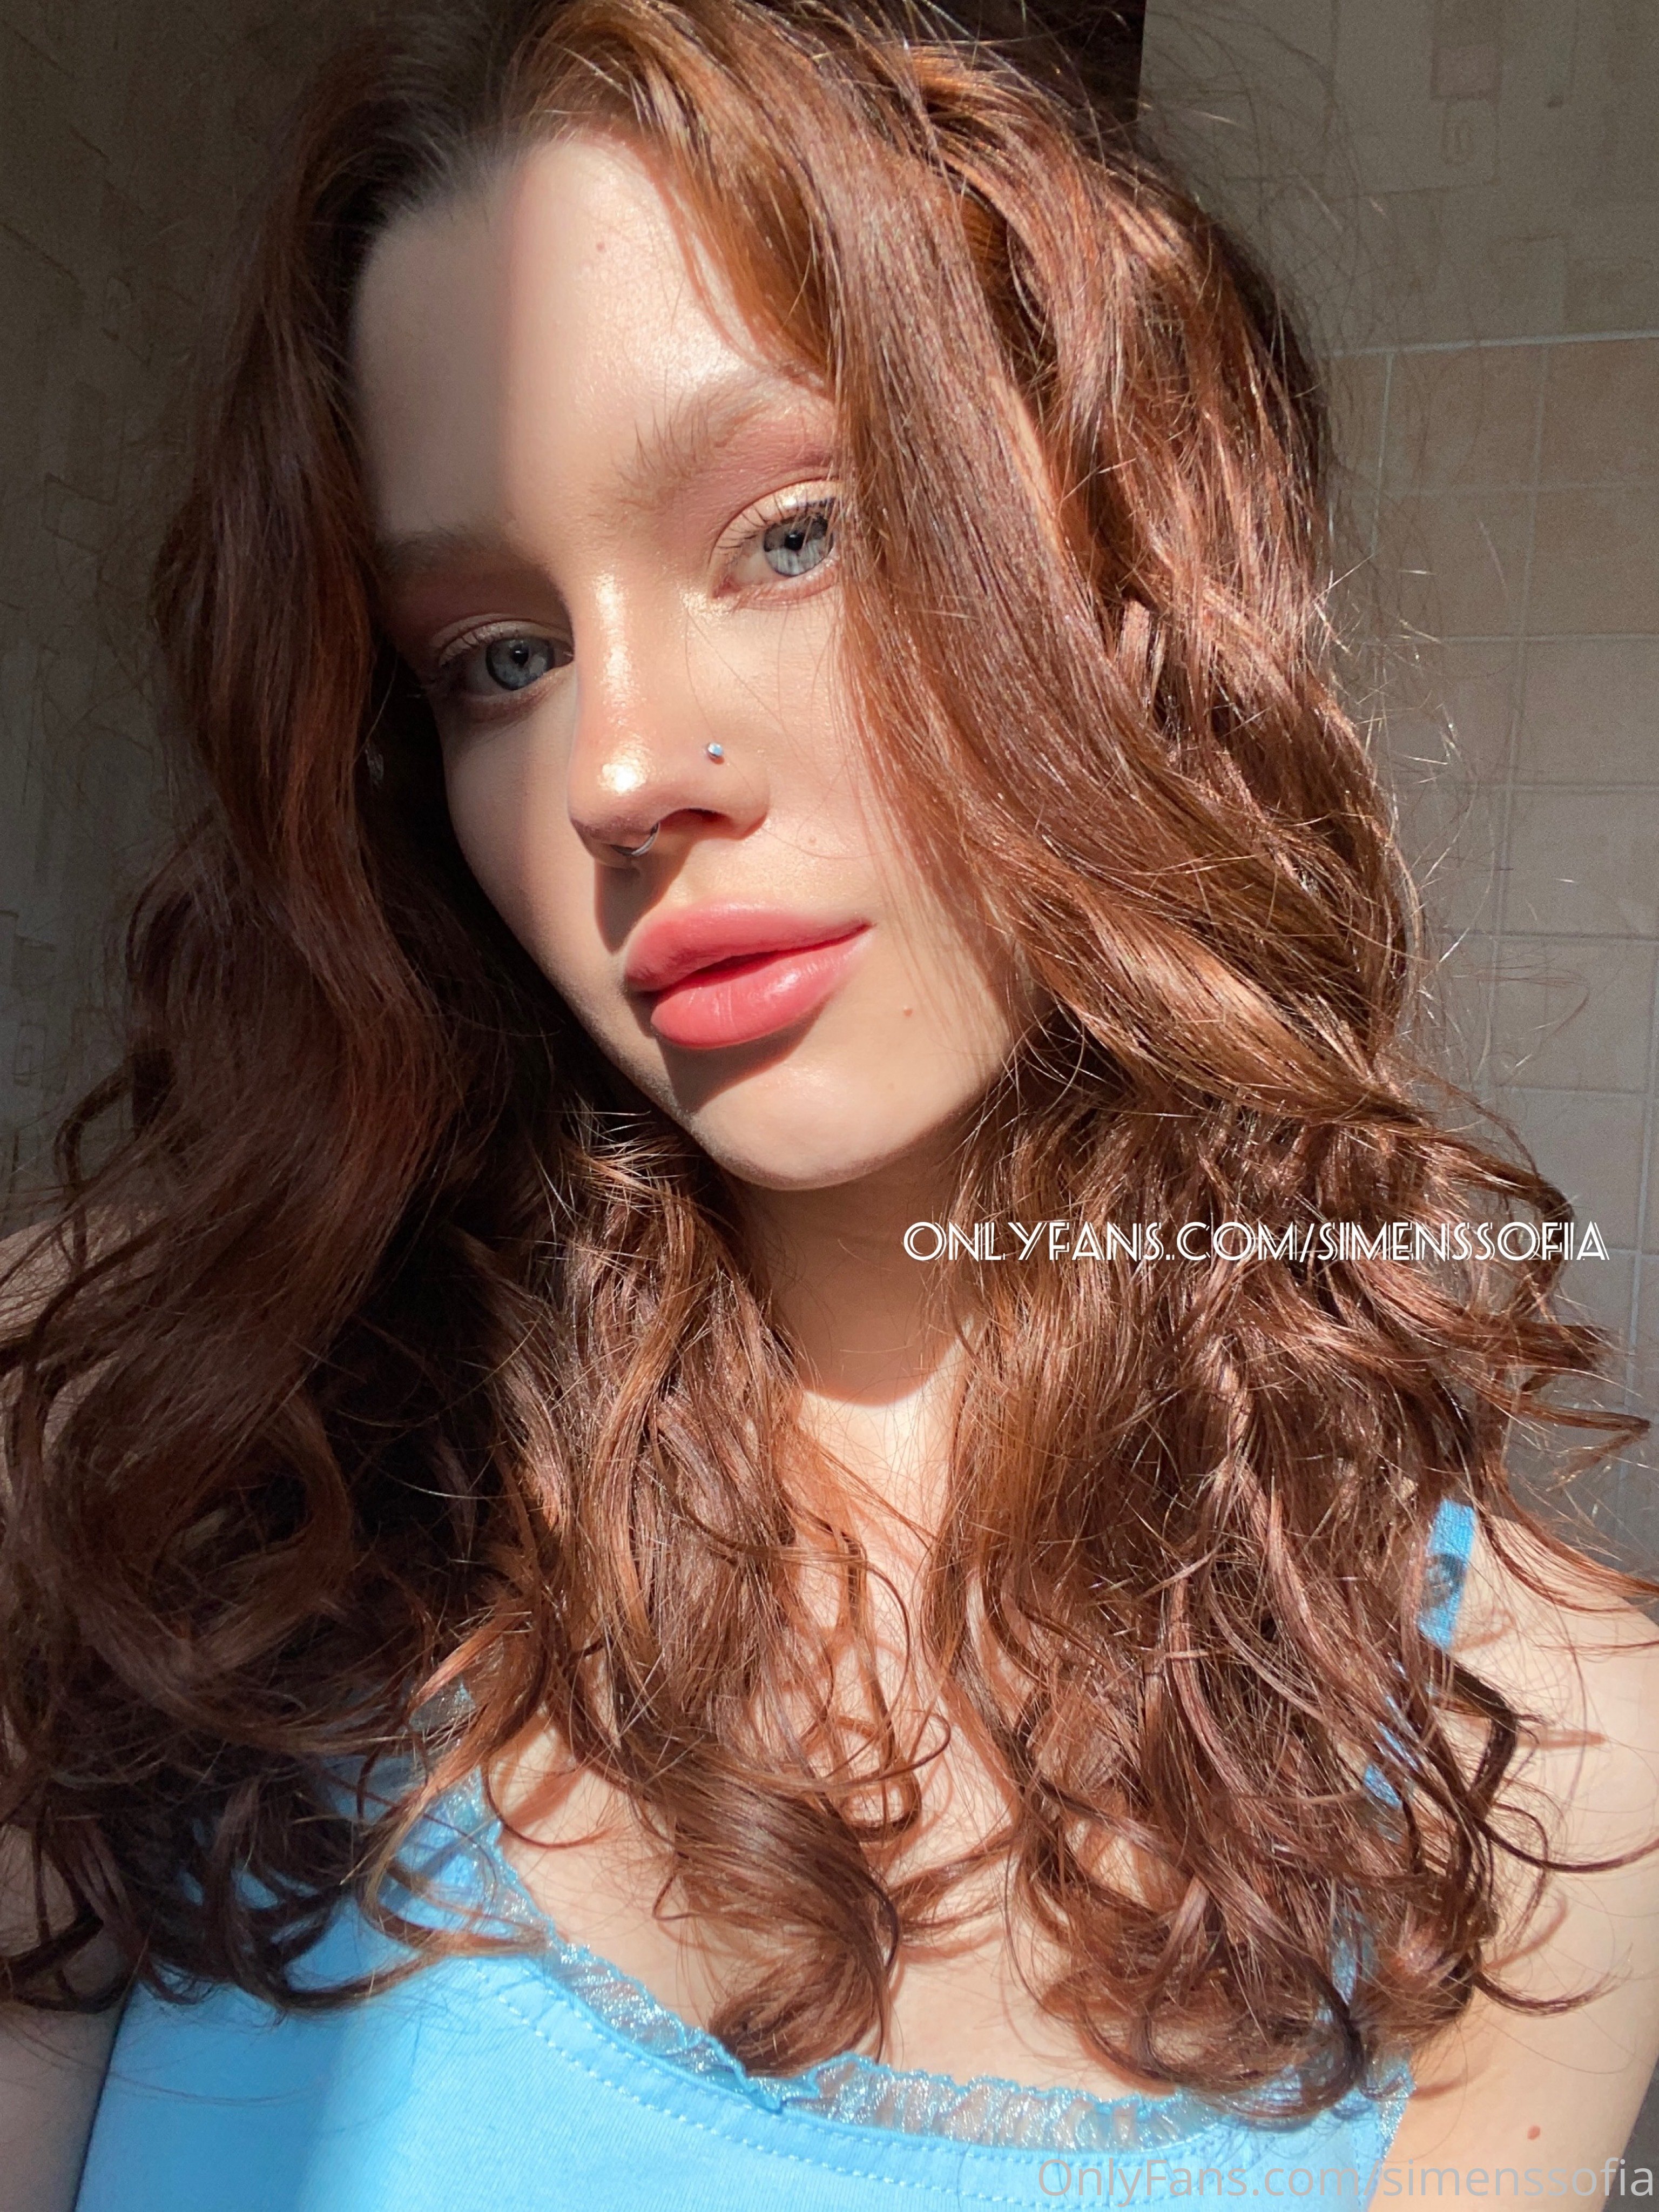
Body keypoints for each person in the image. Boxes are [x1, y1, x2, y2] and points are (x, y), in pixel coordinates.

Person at [4, 1, 1659, 2205]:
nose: (612, 768)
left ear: (1128, 575)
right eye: (499, 656)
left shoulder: (1557, 1757)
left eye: (792, 535)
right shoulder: (145, 1483)